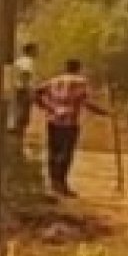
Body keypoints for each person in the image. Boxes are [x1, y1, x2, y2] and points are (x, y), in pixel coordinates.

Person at [34, 59, 108, 197]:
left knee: (53, 151)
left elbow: (37, 92)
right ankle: (61, 183)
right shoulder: (80, 82)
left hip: (53, 120)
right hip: (70, 122)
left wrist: (47, 107)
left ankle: (54, 183)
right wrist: (103, 112)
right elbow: (86, 102)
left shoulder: (54, 80)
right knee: (66, 153)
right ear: (78, 68)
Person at [7, 42, 38, 140]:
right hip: (22, 91)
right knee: (22, 117)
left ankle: (17, 140)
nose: (37, 52)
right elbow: (25, 75)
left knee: (18, 115)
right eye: (35, 50)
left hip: (18, 90)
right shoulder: (27, 61)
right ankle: (17, 141)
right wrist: (29, 91)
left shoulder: (19, 61)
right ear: (30, 50)